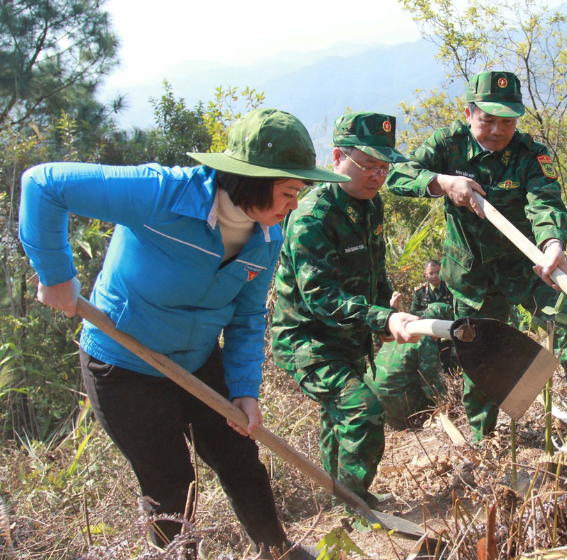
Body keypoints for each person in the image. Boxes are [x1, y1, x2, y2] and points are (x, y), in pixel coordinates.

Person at [19, 108, 339, 558]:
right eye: (289, 192)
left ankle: (278, 550)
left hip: (199, 360)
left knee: (239, 457)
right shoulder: (161, 194)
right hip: (124, 365)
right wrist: (55, 275)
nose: (293, 205)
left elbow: (246, 319)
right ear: (251, 179)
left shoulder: (267, 238)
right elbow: (43, 183)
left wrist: (245, 391)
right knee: (171, 485)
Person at [386, 71, 567, 442]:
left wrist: (553, 243)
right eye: (487, 120)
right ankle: (483, 441)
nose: (497, 130)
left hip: (528, 266)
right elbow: (397, 174)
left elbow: (545, 201)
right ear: (468, 114)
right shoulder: (447, 145)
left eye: (507, 121)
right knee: (481, 352)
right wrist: (443, 182)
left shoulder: (530, 154)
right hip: (472, 276)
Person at [271, 111, 420, 506]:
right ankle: (355, 505)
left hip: (347, 335)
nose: (377, 175)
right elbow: (320, 298)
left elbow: (376, 267)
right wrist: (380, 318)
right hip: (307, 339)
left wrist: (386, 308)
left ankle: (335, 499)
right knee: (362, 411)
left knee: (338, 418)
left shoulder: (370, 206)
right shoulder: (312, 217)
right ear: (337, 157)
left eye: (383, 167)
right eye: (368, 165)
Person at [369, 302, 452, 429]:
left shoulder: (403, 329)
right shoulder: (425, 340)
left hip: (372, 401)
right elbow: (430, 382)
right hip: (395, 401)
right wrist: (448, 403)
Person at [409, 260, 454, 370]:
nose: (434, 276)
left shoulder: (450, 288)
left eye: (437, 272)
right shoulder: (420, 292)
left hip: (447, 330)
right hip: (429, 330)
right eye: (431, 273)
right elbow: (413, 312)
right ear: (425, 275)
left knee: (448, 358)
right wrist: (429, 313)